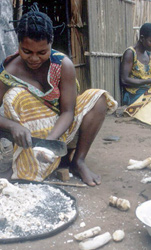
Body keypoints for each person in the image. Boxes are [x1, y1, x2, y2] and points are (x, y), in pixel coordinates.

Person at [0, 6, 117, 186]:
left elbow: (68, 111)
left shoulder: (62, 65)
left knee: (99, 98)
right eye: (27, 51)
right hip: (31, 131)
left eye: (42, 52)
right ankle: (34, 161)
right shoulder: (9, 72)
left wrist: (49, 141)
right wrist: (12, 125)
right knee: (15, 96)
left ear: (51, 45)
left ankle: (78, 161)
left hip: (62, 125)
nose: (34, 59)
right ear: (18, 45)